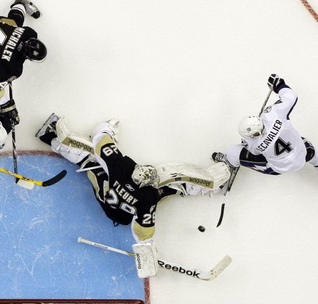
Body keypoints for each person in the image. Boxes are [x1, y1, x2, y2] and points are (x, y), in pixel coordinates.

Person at [35, 114, 230, 277]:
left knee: (91, 161)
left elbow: (100, 144)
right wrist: (145, 250)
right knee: (171, 185)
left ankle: (52, 138)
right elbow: (143, 231)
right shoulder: (148, 197)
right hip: (121, 214)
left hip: (109, 197)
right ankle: (209, 187)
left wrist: (107, 128)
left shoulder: (122, 168)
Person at [212, 74, 318, 192]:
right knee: (313, 151)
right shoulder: (274, 115)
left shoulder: (255, 144)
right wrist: (279, 85)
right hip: (302, 154)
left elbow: (252, 149)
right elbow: (291, 96)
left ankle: (229, 164)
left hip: (277, 168)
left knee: (233, 152)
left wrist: (246, 143)